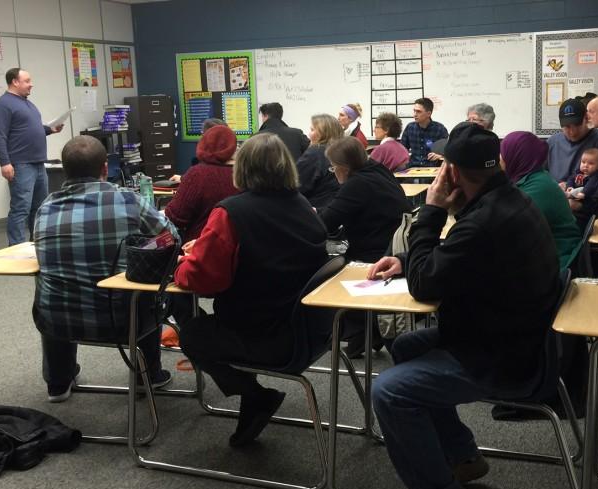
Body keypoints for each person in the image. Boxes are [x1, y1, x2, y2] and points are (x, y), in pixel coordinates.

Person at [367, 123, 559, 489]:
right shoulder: (510, 200)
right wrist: (406, 258)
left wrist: (432, 211)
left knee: (390, 390)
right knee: (405, 346)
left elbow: (426, 285)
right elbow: (458, 259)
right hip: (512, 333)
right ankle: (463, 456)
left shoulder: (483, 221)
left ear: (452, 173)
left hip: (504, 356)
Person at [174, 132, 328, 447]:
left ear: (240, 169)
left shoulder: (231, 212)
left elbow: (201, 279)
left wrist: (184, 262)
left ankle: (255, 396)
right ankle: (253, 399)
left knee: (192, 334)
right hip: (311, 332)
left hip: (263, 336)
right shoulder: (302, 205)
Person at [32, 135, 176, 402]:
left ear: (64, 170)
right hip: (121, 322)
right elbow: (171, 238)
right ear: (105, 168)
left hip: (56, 322)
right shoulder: (129, 201)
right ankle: (149, 376)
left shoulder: (45, 207)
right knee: (145, 290)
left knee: (58, 289)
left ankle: (58, 382)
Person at [321, 136, 412, 357]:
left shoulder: (357, 184)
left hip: (375, 251)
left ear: (344, 167)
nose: (333, 172)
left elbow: (326, 222)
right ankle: (367, 333)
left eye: (333, 168)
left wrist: (313, 213)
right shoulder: (377, 169)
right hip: (394, 243)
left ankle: (360, 331)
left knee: (330, 271)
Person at [0, 67, 65, 245]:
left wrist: (50, 129)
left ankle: (36, 243)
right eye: (27, 81)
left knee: (39, 208)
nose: (31, 85)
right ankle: (15, 247)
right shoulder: (2, 105)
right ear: (15, 82)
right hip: (20, 164)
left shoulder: (28, 103)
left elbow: (30, 129)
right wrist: (4, 163)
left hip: (39, 163)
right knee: (20, 208)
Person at [500, 131, 581, 268]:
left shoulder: (538, 187)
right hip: (547, 254)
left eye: (503, 152)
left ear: (516, 155)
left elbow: (506, 227)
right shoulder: (532, 178)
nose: (500, 158)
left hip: (554, 261)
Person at [547, 98, 598, 229]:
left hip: (586, 209)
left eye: (577, 125)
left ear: (586, 118)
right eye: (566, 127)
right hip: (557, 204)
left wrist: (584, 194)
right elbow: (540, 174)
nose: (572, 131)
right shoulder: (552, 142)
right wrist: (555, 188)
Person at [164, 125, 240, 241]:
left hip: (201, 246)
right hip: (239, 246)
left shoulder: (197, 174)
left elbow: (175, 217)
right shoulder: (244, 173)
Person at [296, 114, 343, 208]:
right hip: (337, 208)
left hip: (314, 209)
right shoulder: (342, 151)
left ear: (323, 133)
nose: (309, 134)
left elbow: (297, 185)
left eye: (312, 130)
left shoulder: (315, 153)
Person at [400, 98, 449, 167]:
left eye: (418, 112)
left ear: (428, 114)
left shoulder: (440, 129)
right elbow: (402, 150)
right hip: (413, 169)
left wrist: (440, 155)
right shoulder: (410, 128)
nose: (415, 114)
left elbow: (448, 151)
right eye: (414, 111)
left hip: (432, 169)